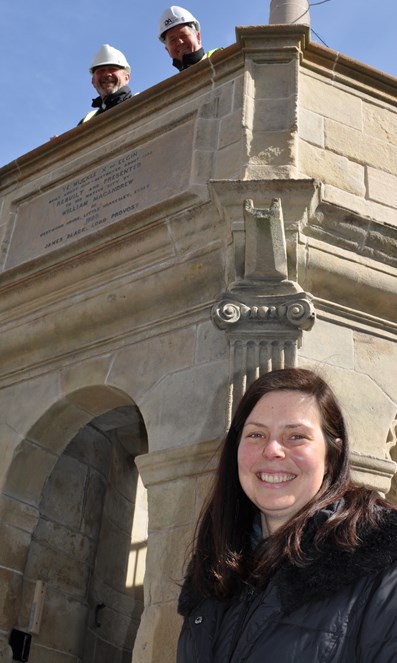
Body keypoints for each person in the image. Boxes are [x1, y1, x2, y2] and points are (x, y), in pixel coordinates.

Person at [177, 367, 397, 661]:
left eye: (296, 436)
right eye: (256, 434)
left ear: (332, 455)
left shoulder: (382, 562)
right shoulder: (214, 574)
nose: (272, 450)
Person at [79, 44, 132, 124]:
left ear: (126, 77)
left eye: (112, 69)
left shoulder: (143, 101)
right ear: (93, 81)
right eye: (101, 70)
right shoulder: (87, 120)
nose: (107, 74)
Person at [158, 6, 221, 72]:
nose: (179, 42)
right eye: (173, 40)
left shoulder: (222, 58)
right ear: (168, 51)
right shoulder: (179, 81)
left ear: (198, 37)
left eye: (183, 35)